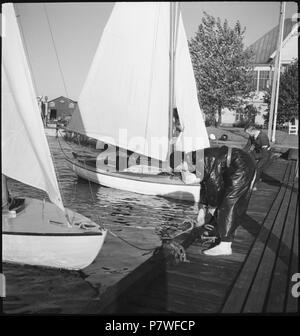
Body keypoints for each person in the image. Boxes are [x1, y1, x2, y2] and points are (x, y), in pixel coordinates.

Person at [170, 146, 256, 256]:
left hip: (241, 165)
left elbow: (214, 185)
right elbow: (205, 185)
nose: (184, 172)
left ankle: (225, 245)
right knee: (225, 202)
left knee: (229, 202)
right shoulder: (194, 160)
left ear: (182, 160)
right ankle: (223, 231)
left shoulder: (201, 160)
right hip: (235, 166)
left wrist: (212, 208)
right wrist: (201, 211)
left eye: (181, 168)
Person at [243, 124, 271, 190]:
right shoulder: (252, 136)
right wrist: (242, 153)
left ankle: (255, 183)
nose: (248, 135)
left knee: (257, 168)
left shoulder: (263, 137)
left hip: (265, 153)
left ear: (253, 131)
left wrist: (255, 157)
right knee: (250, 164)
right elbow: (248, 146)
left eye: (248, 133)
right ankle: (250, 179)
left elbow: (264, 153)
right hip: (257, 151)